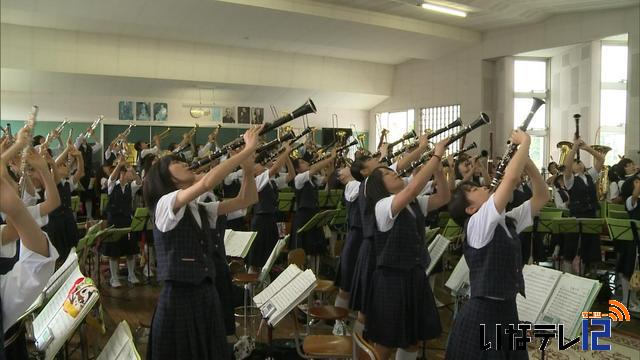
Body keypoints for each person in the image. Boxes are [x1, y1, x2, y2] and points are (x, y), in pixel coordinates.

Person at [142, 125, 262, 360]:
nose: (186, 163)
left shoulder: (199, 208)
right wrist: (247, 150)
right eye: (177, 162)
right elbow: (207, 183)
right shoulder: (165, 204)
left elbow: (247, 200)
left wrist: (247, 170)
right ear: (166, 177)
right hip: (179, 298)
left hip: (205, 295)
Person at [446, 129, 549, 359]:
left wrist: (528, 163)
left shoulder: (507, 220)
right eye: (474, 190)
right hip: (483, 314)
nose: (483, 186)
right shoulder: (476, 223)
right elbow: (511, 179)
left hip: (508, 310)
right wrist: (525, 143)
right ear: (470, 209)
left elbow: (542, 196)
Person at [364, 138, 450, 359]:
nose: (393, 173)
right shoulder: (383, 206)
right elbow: (412, 188)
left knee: (412, 339)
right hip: (391, 279)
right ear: (379, 186)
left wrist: (439, 171)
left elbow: (444, 197)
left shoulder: (413, 204)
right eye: (387, 175)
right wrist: (436, 155)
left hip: (413, 275)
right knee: (385, 341)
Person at [247, 143, 294, 273]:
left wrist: (287, 156)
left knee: (270, 258)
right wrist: (285, 153)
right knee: (257, 258)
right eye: (261, 164)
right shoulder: (258, 179)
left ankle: (265, 283)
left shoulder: (272, 181)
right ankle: (251, 288)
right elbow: (273, 169)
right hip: (261, 220)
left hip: (271, 219)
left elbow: (291, 175)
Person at [562, 138, 604, 274]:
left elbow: (601, 160)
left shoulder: (590, 176)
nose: (577, 162)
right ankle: (569, 275)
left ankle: (587, 275)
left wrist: (587, 148)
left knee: (590, 250)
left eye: (579, 161)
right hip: (577, 215)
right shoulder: (570, 180)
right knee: (572, 247)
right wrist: (574, 148)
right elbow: (567, 166)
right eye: (575, 162)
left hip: (591, 215)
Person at [102, 156, 142, 288]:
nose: (131, 174)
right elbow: (112, 178)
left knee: (130, 249)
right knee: (114, 251)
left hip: (127, 220)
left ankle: (131, 275)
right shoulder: (112, 185)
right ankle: (114, 277)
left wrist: (133, 171)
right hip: (114, 220)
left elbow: (139, 182)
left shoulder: (131, 187)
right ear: (122, 174)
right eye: (129, 172)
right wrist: (120, 165)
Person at [46, 138, 84, 259]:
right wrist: (67, 149)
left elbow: (80, 171)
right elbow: (54, 165)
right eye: (63, 165)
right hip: (56, 223)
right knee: (59, 253)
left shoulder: (68, 183)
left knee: (72, 251)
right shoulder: (51, 181)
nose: (67, 166)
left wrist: (79, 156)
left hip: (68, 220)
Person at [74, 128, 102, 220]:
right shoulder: (76, 147)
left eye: (85, 138)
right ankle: (74, 217)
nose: (84, 139)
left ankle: (89, 216)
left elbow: (99, 145)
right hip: (79, 173)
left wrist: (93, 134)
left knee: (88, 196)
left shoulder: (90, 148)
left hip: (89, 174)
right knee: (77, 196)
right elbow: (78, 141)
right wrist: (83, 134)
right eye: (82, 138)